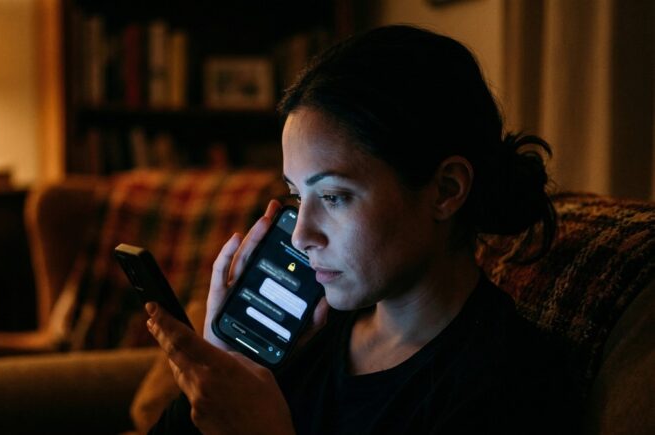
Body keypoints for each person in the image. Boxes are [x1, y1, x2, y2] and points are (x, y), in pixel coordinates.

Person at [144, 25, 577, 434]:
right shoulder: (311, 333)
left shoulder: (513, 381)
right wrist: (227, 365)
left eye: (333, 197)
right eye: (297, 197)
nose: (301, 236)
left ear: (446, 190)